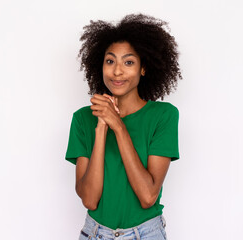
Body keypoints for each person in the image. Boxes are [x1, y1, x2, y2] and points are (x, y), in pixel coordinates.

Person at [65, 13, 182, 240]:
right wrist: (101, 128)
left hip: (146, 234)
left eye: (128, 62)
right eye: (110, 61)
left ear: (143, 68)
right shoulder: (82, 119)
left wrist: (118, 126)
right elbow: (89, 199)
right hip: (94, 233)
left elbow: (148, 196)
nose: (117, 71)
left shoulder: (163, 116)